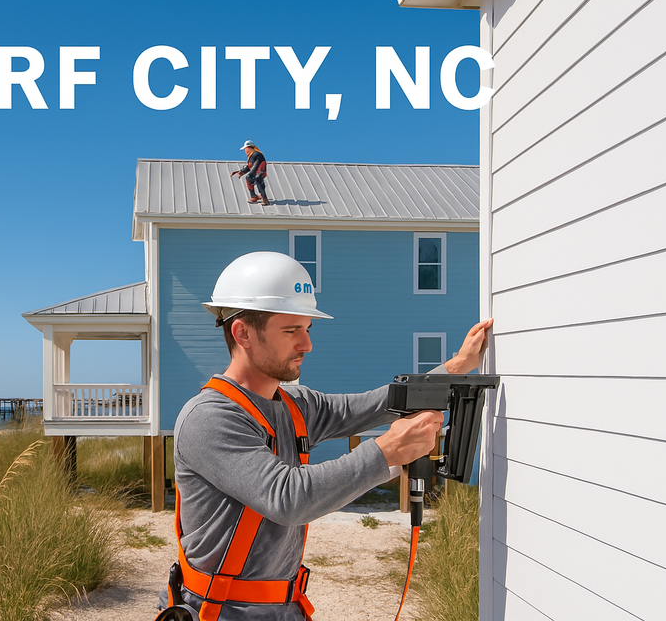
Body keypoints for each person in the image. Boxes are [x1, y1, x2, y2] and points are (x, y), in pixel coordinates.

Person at [156, 251, 492, 621]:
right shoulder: (210, 417)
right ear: (242, 333)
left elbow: (370, 406)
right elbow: (288, 497)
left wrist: (454, 368)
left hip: (286, 609)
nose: (307, 344)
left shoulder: (295, 404)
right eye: (291, 331)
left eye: (308, 329)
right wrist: (386, 451)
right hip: (220, 612)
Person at [232, 140, 269, 206]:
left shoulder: (257, 154)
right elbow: (249, 166)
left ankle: (265, 199)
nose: (246, 151)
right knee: (248, 178)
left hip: (260, 171)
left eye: (246, 149)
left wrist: (251, 173)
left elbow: (256, 165)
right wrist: (241, 172)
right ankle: (253, 196)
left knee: (258, 179)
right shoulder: (251, 156)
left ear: (250, 148)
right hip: (255, 171)